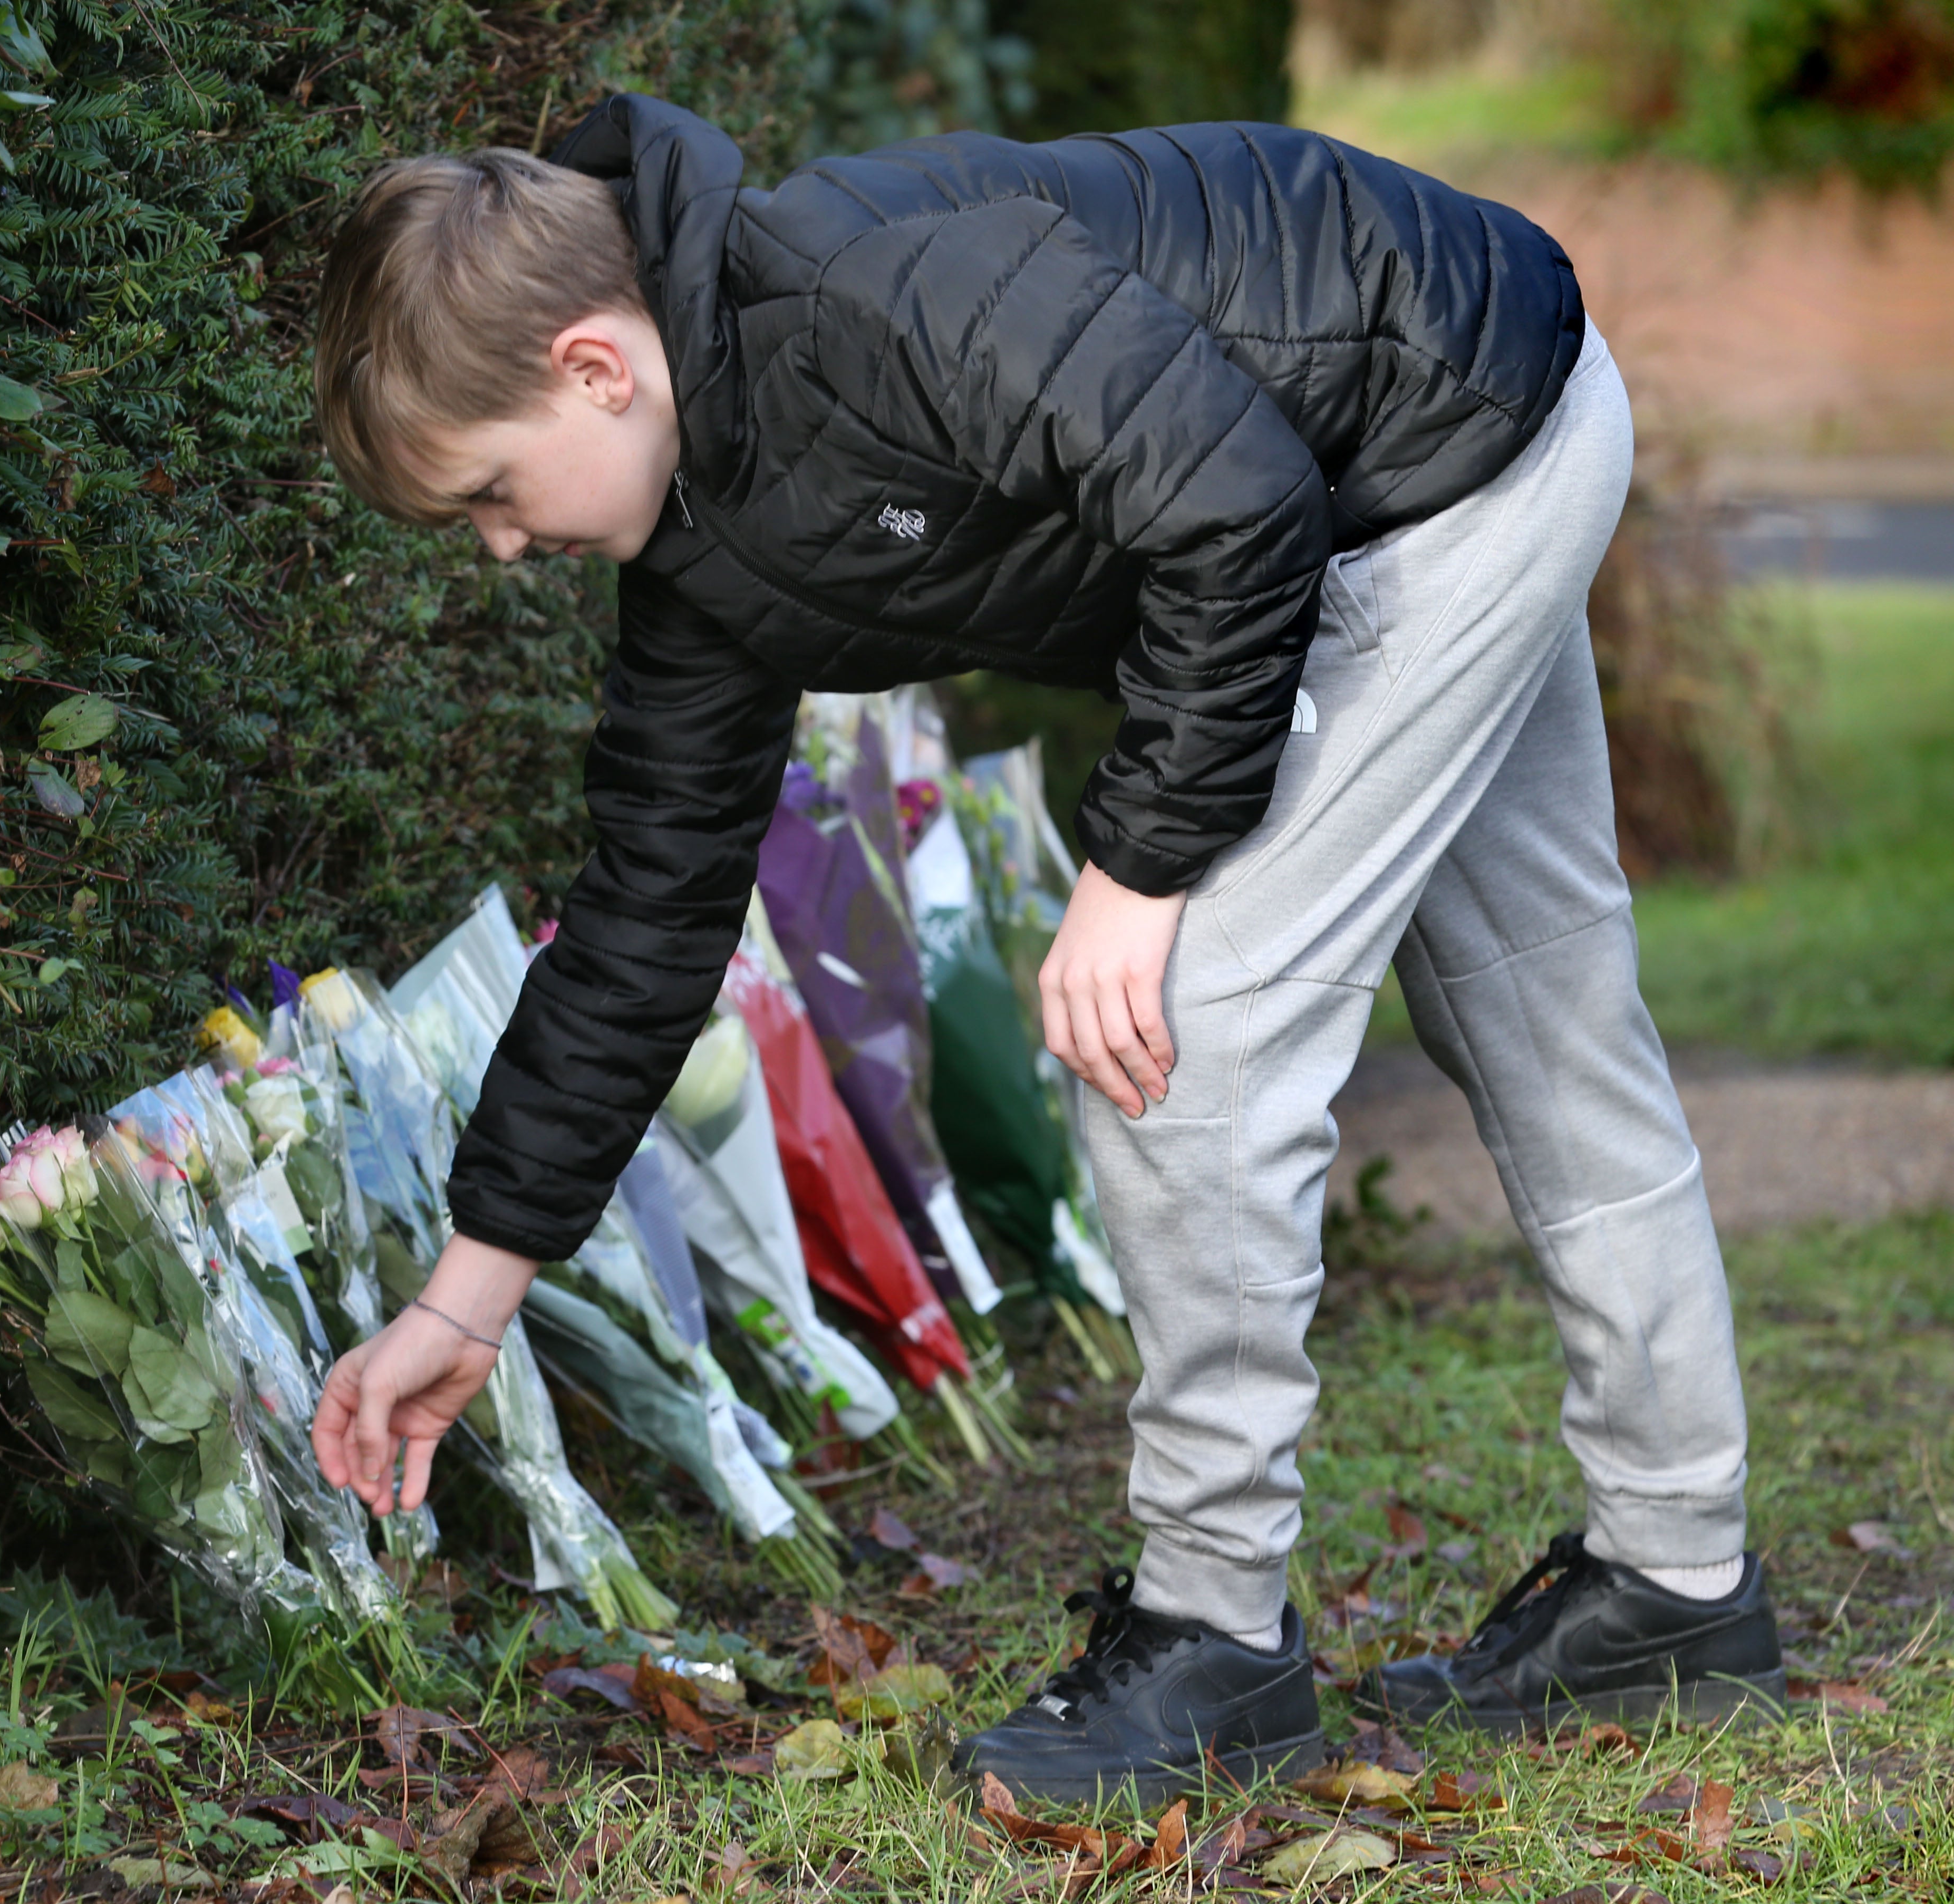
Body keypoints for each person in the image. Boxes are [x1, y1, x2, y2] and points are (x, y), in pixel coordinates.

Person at [302, 95, 1785, 1800]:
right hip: (1420, 448)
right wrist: (462, 1302)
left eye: (489, 492)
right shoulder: (701, 552)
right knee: (1543, 1017)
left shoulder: (871, 293)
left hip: (1445, 435)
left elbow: (1235, 506)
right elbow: (640, 927)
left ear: (593, 367)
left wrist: (1136, 872)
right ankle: (1680, 1587)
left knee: (1187, 1027)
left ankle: (1215, 1637)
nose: (500, 548)